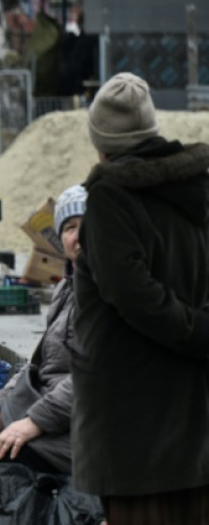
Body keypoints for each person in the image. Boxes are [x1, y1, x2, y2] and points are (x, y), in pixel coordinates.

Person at [72, 72, 209, 523]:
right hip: (190, 408)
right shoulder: (194, 187)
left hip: (133, 414)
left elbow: (130, 292)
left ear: (102, 141)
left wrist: (195, 331)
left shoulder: (111, 197)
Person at [0, 185, 92, 523]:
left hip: (91, 424)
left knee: (12, 449)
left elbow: (93, 376)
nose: (78, 236)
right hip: (58, 415)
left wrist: (32, 422)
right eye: (69, 228)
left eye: (87, 225)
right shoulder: (66, 289)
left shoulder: (108, 293)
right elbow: (34, 366)